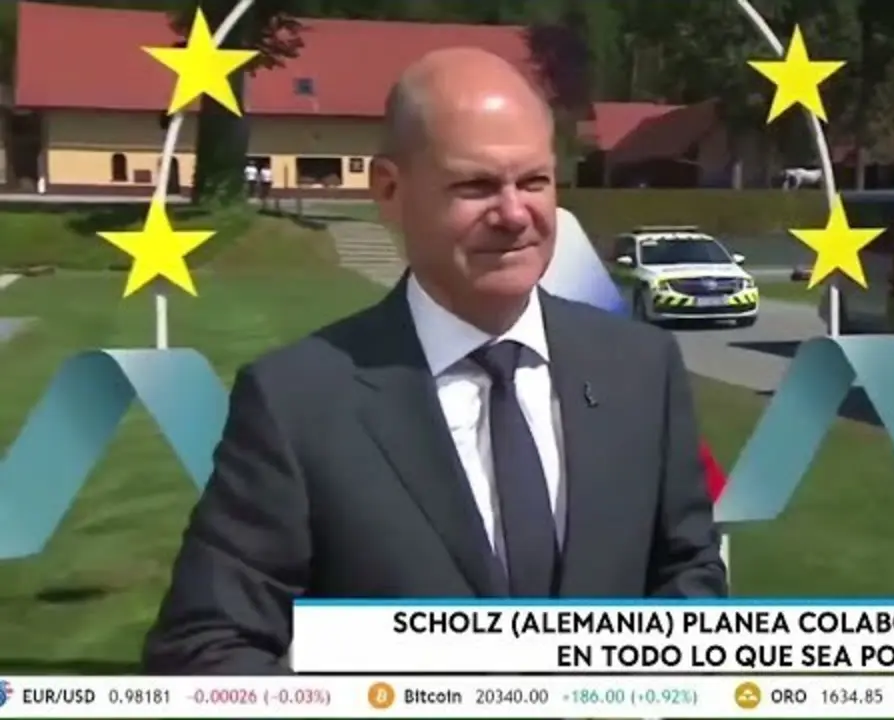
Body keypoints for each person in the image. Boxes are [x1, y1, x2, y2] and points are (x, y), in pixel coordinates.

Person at [141, 48, 726, 675]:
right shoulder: (296, 403)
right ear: (389, 191)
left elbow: (688, 573)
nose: (514, 214)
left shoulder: (642, 368)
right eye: (476, 186)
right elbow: (203, 651)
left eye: (534, 182)